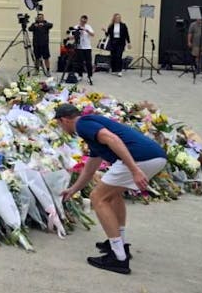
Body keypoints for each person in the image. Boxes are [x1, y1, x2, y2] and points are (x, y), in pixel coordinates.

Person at [55, 104, 167, 275]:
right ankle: (120, 244)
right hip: (155, 157)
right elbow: (91, 167)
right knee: (113, 196)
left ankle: (119, 258)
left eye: (60, 125)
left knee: (97, 198)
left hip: (140, 158)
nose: (62, 129)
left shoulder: (82, 124)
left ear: (64, 120)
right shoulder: (91, 130)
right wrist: (73, 189)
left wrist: (134, 169)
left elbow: (112, 139)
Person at [73, 14, 95, 84]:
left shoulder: (88, 27)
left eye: (84, 21)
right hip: (79, 47)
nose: (83, 22)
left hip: (87, 47)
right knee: (80, 62)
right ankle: (80, 75)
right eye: (82, 21)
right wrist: (78, 33)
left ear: (86, 21)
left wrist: (87, 31)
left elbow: (93, 34)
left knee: (88, 62)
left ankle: (90, 76)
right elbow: (72, 36)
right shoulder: (76, 27)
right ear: (80, 20)